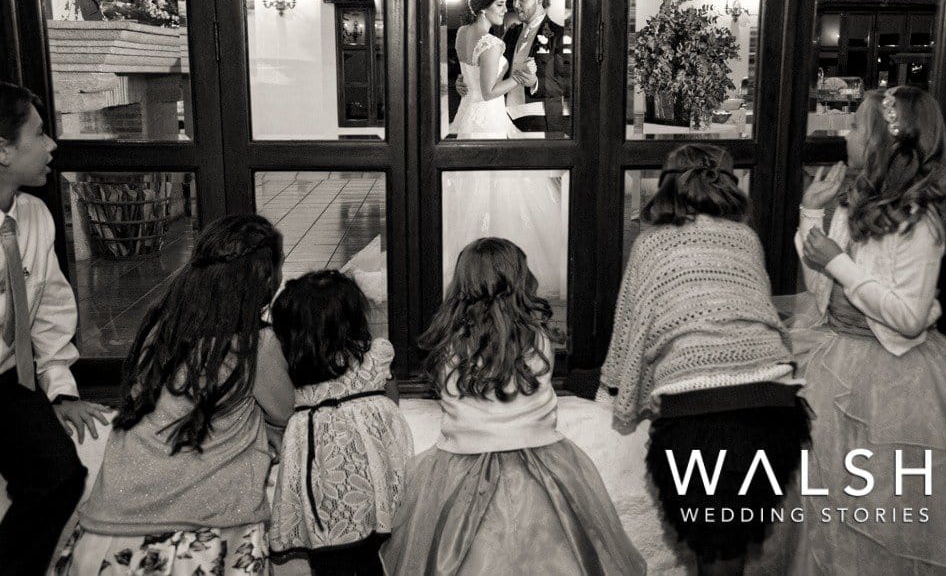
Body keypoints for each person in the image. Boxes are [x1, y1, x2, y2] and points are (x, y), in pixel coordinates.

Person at [787, 87, 946, 574]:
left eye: (858, 128)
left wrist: (840, 264)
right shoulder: (854, 203)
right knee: (824, 507)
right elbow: (820, 284)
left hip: (896, 382)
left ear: (886, 142)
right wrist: (810, 212)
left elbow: (907, 315)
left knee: (884, 511)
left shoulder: (919, 222)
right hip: (831, 360)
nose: (848, 135)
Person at [599, 144, 810, 576]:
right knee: (731, 544)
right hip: (774, 401)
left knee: (712, 549)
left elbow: (631, 326)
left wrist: (612, 392)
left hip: (699, 411)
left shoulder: (650, 244)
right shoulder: (745, 239)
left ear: (668, 186)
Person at [380, 237, 645, 575]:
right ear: (521, 279)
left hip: (460, 468)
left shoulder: (449, 344)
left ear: (462, 283)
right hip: (540, 465)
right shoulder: (539, 339)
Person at [55, 214, 295, 575]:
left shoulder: (159, 330)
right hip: (204, 540)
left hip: (107, 536)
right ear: (264, 278)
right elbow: (288, 411)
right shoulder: (254, 344)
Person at [0, 81, 107, 574]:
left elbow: (48, 313)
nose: (51, 146)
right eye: (39, 134)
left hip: (7, 383)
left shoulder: (33, 216)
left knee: (61, 475)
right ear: (2, 149)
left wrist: (60, 391)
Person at [269, 270, 413, 575]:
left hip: (324, 481)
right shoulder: (376, 355)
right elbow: (392, 403)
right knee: (378, 547)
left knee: (329, 549)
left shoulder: (296, 366)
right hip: (373, 475)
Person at [441, 0, 566, 299]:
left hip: (469, 120)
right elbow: (488, 91)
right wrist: (518, 78)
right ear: (483, 7)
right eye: (499, 5)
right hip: (489, 121)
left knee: (472, 191)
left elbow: (467, 75)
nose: (504, 10)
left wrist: (460, 81)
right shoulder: (490, 44)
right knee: (502, 190)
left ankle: (469, 266)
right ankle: (497, 270)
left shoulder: (460, 34)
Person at [456, 0, 572, 137]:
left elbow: (571, 83)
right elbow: (489, 68)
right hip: (503, 119)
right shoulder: (511, 32)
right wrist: (467, 81)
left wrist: (536, 82)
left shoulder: (561, 35)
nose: (515, 5)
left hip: (540, 122)